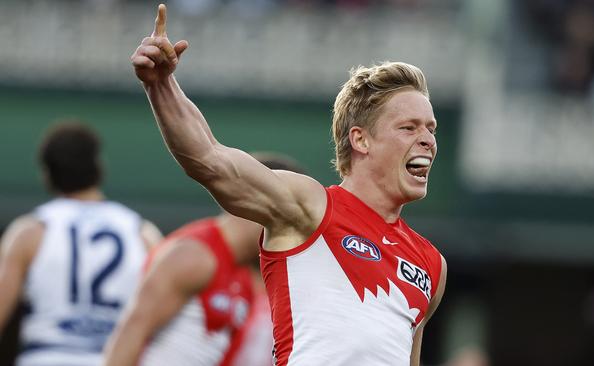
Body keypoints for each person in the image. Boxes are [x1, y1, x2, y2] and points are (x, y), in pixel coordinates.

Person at [130, 4, 447, 365]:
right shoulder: (310, 206)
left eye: (431, 129)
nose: (428, 140)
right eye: (409, 127)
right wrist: (161, 86)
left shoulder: (432, 265)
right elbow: (210, 160)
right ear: (361, 140)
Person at [103, 153, 303, 366]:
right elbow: (131, 331)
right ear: (261, 203)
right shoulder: (195, 256)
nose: (294, 234)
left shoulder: (243, 276)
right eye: (290, 219)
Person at [0, 121, 162, 366]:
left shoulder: (30, 232)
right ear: (98, 166)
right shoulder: (142, 233)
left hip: (45, 356)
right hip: (112, 358)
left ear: (47, 173)